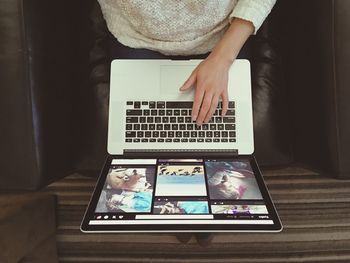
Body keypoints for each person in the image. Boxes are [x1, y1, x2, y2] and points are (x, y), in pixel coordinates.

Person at [96, 0, 276, 246]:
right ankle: (184, 218)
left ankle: (193, 219)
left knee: (216, 143)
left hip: (222, 30)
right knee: (146, 145)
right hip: (135, 32)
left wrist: (222, 59)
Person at [97, 0, 276, 125]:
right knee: (137, 143)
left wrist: (222, 59)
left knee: (220, 146)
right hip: (135, 34)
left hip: (222, 35)